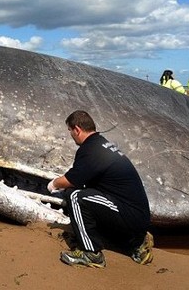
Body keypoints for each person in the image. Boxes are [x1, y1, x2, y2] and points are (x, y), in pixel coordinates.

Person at [48, 110, 153, 268]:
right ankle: (137, 242)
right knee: (84, 194)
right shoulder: (102, 144)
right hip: (137, 217)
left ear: (77, 129)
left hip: (129, 216)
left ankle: (91, 254)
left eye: (70, 131)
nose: (70, 135)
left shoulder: (90, 149)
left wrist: (53, 184)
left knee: (75, 196)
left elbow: (70, 180)